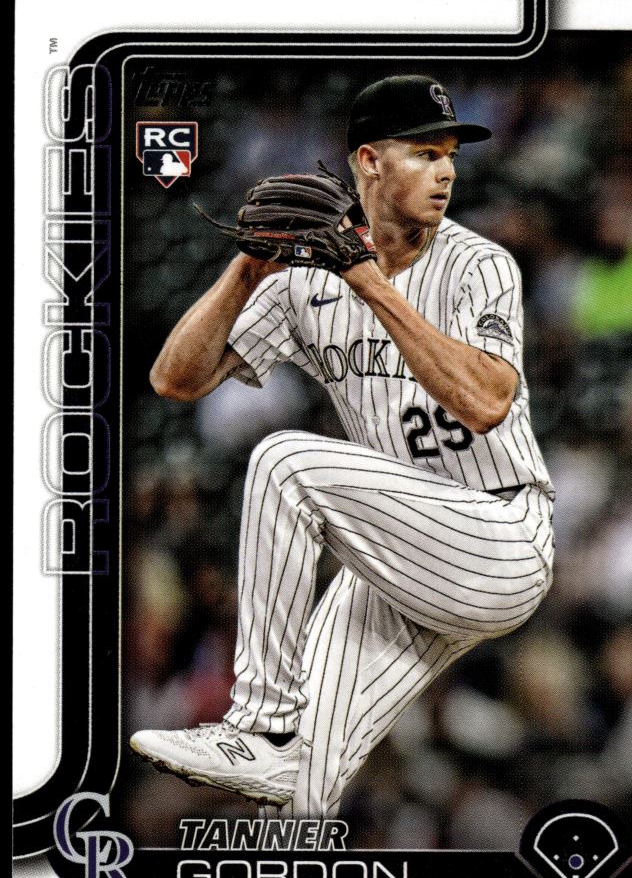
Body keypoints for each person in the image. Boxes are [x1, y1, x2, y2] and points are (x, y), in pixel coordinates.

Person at [130, 75, 555, 818]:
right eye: (425, 153)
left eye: (450, 155)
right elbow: (176, 379)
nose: (446, 172)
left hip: (498, 534)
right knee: (296, 788)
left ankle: (256, 723)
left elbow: (487, 403)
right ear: (368, 162)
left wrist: (368, 282)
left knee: (285, 462)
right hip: (399, 551)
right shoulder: (307, 283)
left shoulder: (479, 264)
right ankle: (276, 781)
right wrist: (246, 270)